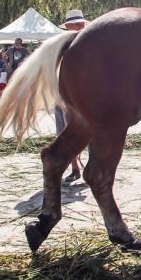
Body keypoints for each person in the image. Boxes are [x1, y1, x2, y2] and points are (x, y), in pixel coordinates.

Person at [57, 9, 89, 181]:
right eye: (75, 24)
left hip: (88, 96)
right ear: (68, 26)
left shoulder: (91, 44)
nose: (79, 27)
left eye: (81, 24)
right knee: (66, 132)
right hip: (64, 95)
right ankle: (75, 168)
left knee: (94, 132)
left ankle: (91, 167)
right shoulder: (61, 46)